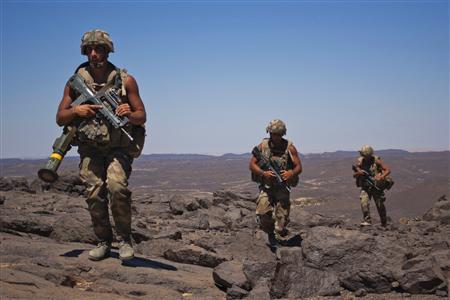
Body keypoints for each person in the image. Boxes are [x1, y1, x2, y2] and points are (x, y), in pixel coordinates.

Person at [56, 29, 146, 261]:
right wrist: (76, 110)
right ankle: (103, 241)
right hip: (90, 147)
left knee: (117, 188)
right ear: (85, 52)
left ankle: (125, 240)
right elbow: (60, 117)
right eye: (91, 50)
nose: (95, 54)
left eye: (100, 49)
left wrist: (129, 114)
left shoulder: (125, 80)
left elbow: (142, 116)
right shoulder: (75, 82)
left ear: (108, 51)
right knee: (94, 193)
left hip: (118, 147)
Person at [249, 119, 302, 246]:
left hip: (282, 187)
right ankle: (270, 235)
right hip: (267, 186)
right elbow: (252, 165)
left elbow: (299, 167)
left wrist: (291, 173)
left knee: (282, 218)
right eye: (273, 134)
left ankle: (279, 234)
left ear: (283, 134)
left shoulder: (290, 147)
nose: (276, 137)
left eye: (278, 134)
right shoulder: (263, 146)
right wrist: (264, 173)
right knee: (263, 212)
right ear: (269, 133)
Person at [353, 145, 391, 227]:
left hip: (376, 186)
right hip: (366, 186)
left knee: (379, 205)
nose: (363, 156)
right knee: (364, 202)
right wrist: (358, 173)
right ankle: (367, 220)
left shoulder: (376, 160)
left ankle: (384, 223)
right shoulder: (360, 162)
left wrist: (382, 176)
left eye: (364, 155)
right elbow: (354, 174)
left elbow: (387, 170)